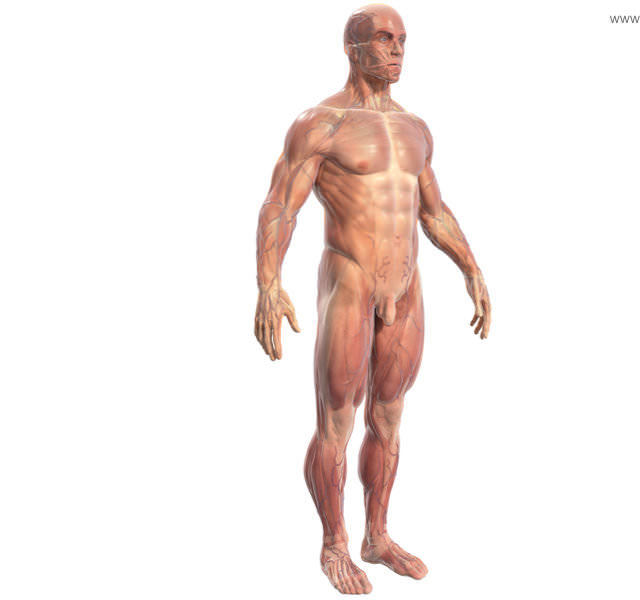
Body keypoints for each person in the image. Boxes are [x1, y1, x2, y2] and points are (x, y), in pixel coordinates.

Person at [254, 4, 491, 594]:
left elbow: (433, 211)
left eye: (403, 40)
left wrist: (471, 268)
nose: (397, 50)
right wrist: (268, 283)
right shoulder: (321, 124)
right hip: (350, 278)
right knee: (336, 418)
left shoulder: (416, 129)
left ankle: (376, 536)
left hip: (405, 286)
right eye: (384, 39)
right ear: (352, 48)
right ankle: (334, 543)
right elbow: (281, 205)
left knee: (388, 415)